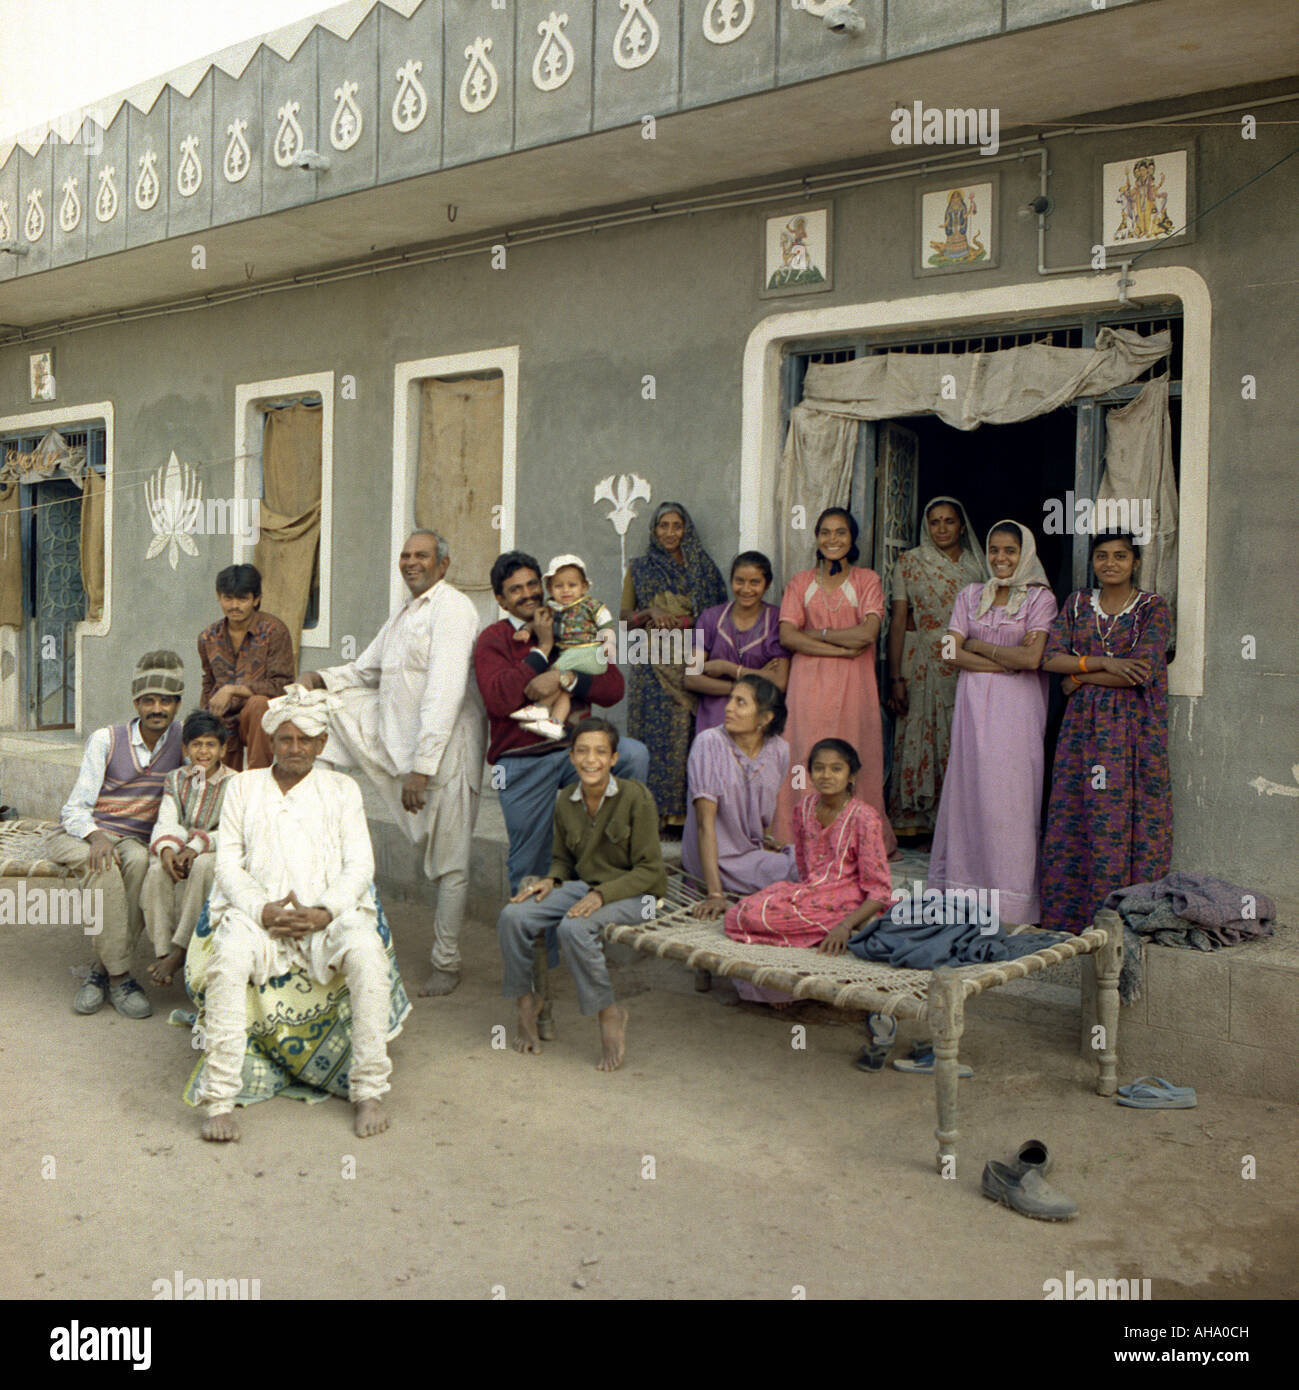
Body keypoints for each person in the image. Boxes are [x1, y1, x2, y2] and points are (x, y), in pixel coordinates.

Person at [196, 686, 394, 1142]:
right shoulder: (243, 787)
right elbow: (227, 863)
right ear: (272, 743)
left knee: (367, 954)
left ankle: (368, 1091)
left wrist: (324, 912)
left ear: (322, 744)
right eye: (286, 739)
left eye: (306, 739)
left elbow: (361, 865)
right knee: (226, 960)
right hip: (259, 916)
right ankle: (220, 1100)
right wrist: (260, 909)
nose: (296, 748)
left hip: (327, 918)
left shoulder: (343, 789)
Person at [298, 530, 486, 998]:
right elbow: (365, 670)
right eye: (404, 555)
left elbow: (445, 692)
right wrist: (319, 676)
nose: (410, 562)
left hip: (448, 753)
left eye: (421, 555)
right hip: (401, 745)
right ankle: (316, 813)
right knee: (327, 707)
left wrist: (422, 768)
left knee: (450, 862)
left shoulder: (454, 609)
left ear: (443, 565)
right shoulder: (404, 613)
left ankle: (447, 960)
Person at [497, 718, 666, 1071]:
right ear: (571, 758)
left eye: (601, 752)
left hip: (642, 896)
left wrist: (603, 895)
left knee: (572, 928)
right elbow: (562, 859)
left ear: (614, 758)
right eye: (583, 751)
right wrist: (551, 879)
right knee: (513, 915)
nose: (591, 760)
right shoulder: (566, 801)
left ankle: (609, 1012)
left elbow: (651, 871)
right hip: (586, 886)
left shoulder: (636, 797)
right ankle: (527, 1001)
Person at [476, 551, 649, 893]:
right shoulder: (493, 639)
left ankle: (608, 849)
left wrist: (566, 678)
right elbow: (499, 701)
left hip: (575, 750)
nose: (527, 594)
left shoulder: (574, 622)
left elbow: (613, 688)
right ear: (500, 598)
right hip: (521, 759)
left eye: (531, 585)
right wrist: (543, 650)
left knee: (633, 755)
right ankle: (532, 937)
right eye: (515, 590)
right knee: (531, 866)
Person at [1040, 532, 1173, 933]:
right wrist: (1107, 664)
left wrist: (1079, 677)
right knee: (1076, 810)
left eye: (1120, 556)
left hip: (1132, 729)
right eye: (1101, 556)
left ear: (1135, 563)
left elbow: (1142, 670)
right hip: (1081, 730)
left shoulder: (1153, 607)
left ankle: (1118, 918)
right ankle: (1070, 917)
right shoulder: (1078, 604)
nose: (1110, 563)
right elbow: (1050, 659)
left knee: (1120, 814)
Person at [928, 521, 1058, 925]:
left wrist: (979, 646)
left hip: (1017, 710)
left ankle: (1010, 904)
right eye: (995, 550)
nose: (1001, 559)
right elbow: (950, 650)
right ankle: (964, 894)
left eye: (1010, 551)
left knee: (1011, 798)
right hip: (972, 707)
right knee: (970, 793)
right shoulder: (970, 594)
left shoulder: (1041, 600)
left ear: (1026, 553)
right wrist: (1005, 657)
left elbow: (1031, 660)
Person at [48, 651, 186, 1019]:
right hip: (79, 833)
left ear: (177, 704)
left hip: (133, 841)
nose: (157, 708)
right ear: (136, 703)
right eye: (149, 701)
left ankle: (98, 972)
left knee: (139, 860)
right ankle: (121, 977)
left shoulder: (184, 741)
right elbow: (74, 809)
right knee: (106, 868)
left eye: (166, 701)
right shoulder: (106, 740)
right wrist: (96, 836)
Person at [775, 507, 897, 854]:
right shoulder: (800, 582)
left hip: (853, 686)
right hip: (808, 686)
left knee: (854, 753)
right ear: (816, 538)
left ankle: (855, 839)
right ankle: (801, 834)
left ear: (852, 538)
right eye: (825, 532)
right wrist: (839, 649)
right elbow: (788, 636)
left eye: (840, 532)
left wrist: (819, 633)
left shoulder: (866, 580)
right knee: (805, 754)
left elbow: (868, 634)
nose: (832, 539)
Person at [726, 739, 892, 958]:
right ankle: (838, 928)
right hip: (810, 892)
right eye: (819, 768)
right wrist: (802, 895)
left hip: (847, 900)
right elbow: (804, 866)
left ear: (851, 776)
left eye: (836, 769)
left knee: (763, 918)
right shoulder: (804, 809)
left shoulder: (864, 818)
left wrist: (844, 926)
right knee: (740, 913)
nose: (826, 775)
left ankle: (854, 924)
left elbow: (880, 890)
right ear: (810, 773)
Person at [886, 497, 988, 843]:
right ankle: (914, 821)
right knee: (918, 733)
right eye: (935, 522)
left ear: (962, 526)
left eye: (949, 521)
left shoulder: (979, 567)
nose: (942, 528)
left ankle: (954, 825)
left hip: (964, 660)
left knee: (958, 737)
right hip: (920, 661)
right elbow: (899, 620)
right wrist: (895, 676)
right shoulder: (910, 562)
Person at [620, 502, 727, 831]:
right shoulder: (639, 568)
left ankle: (681, 817)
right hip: (650, 665)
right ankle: (649, 816)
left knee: (682, 736)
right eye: (662, 526)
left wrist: (681, 621)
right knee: (649, 735)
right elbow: (625, 618)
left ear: (686, 529)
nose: (669, 532)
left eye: (676, 526)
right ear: (654, 531)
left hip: (688, 661)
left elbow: (715, 615)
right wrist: (651, 613)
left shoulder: (702, 569)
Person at [683, 675, 796, 920]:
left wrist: (766, 842)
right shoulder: (709, 743)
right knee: (802, 869)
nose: (728, 707)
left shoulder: (779, 750)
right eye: (730, 699)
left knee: (809, 858)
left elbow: (760, 813)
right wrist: (714, 893)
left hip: (749, 853)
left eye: (740, 702)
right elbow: (704, 825)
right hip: (716, 862)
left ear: (765, 718)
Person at [143, 710, 236, 987]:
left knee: (204, 867)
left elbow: (231, 831)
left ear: (222, 749)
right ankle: (164, 950)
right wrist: (169, 849)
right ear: (186, 749)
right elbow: (167, 819)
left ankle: (182, 950)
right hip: (181, 849)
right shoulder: (176, 779)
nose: (203, 752)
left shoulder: (236, 783)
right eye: (196, 744)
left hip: (216, 851)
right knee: (158, 870)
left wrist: (196, 847)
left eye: (210, 744)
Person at [198, 564, 294, 770]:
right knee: (221, 780)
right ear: (219, 597)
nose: (234, 606)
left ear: (256, 599)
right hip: (224, 719)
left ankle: (257, 781)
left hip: (262, 721)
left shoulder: (274, 631)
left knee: (258, 704)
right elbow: (208, 682)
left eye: (242, 599)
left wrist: (233, 690)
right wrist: (203, 722)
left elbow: (283, 685)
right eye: (228, 598)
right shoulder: (208, 637)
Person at [684, 551, 788, 735]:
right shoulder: (708, 617)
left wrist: (729, 668)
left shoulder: (777, 621)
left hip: (757, 719)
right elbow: (691, 677)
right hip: (714, 718)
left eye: (754, 582)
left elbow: (779, 682)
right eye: (739, 581)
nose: (746, 589)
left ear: (767, 584)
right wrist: (754, 681)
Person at [511, 554, 614, 738]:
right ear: (550, 588)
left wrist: (609, 643)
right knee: (565, 691)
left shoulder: (588, 605)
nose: (566, 590)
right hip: (573, 655)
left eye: (572, 585)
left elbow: (606, 624)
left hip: (588, 651)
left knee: (554, 673)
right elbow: (536, 623)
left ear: (584, 587)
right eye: (559, 586)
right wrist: (526, 631)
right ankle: (555, 722)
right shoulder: (551, 608)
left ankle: (541, 707)